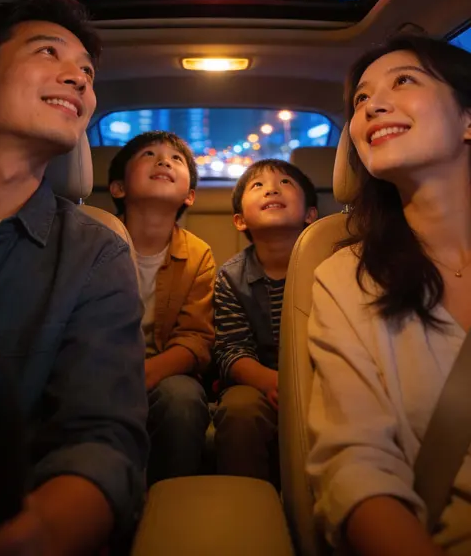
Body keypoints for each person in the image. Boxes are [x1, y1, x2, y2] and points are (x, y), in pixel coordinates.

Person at [0, 0, 148, 556]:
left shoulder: (95, 254)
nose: (80, 81)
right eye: (50, 53)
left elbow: (100, 441)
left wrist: (37, 534)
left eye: (88, 73)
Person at [307, 35, 471, 556]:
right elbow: (356, 467)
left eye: (404, 81)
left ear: (469, 119)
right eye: (360, 100)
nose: (372, 105)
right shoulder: (345, 278)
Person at [108, 131, 215, 485]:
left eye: (176, 159)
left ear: (190, 196)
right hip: (98, 369)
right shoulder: (92, 240)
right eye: (149, 154)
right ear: (119, 187)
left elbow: (196, 339)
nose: (164, 161)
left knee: (182, 399)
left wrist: (143, 375)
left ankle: (172, 499)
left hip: (163, 373)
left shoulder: (198, 254)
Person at [213, 158, 318, 482]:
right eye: (257, 186)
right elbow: (231, 349)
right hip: (259, 382)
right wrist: (274, 382)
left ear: (310, 214)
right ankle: (246, 502)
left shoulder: (332, 264)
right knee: (239, 409)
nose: (272, 188)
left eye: (285, 183)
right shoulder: (231, 277)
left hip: (325, 376)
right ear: (240, 220)